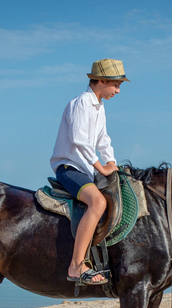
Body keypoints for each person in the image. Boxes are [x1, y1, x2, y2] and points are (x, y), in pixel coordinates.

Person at [50, 58, 129, 285]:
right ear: (101, 81)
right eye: (116, 85)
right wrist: (101, 166)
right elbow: (80, 141)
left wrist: (112, 162)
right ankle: (76, 266)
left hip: (85, 168)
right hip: (70, 167)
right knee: (98, 203)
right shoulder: (82, 102)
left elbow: (103, 139)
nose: (118, 90)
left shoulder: (98, 106)